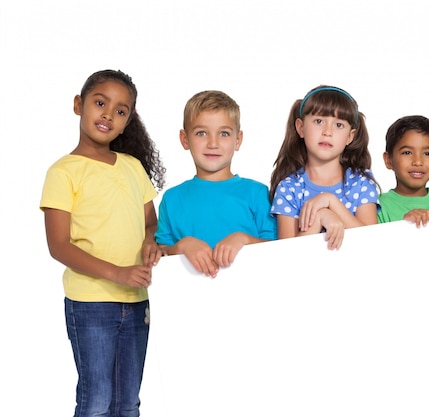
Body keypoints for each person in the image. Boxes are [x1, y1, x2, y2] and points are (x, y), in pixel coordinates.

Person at [40, 69, 166, 417]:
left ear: (128, 122)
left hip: (138, 302)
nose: (109, 114)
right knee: (97, 401)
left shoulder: (131, 167)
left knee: (128, 403)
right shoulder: (63, 172)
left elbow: (150, 223)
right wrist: (118, 273)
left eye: (121, 110)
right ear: (79, 105)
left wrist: (151, 242)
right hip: (90, 304)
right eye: (100, 103)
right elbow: (58, 246)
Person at [155, 90, 277, 278]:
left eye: (224, 133)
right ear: (184, 139)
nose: (213, 143)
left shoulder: (257, 193)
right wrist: (181, 246)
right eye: (202, 133)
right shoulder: (172, 199)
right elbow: (160, 254)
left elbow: (279, 250)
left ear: (238, 140)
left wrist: (244, 239)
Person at [270, 85, 379, 250]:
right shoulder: (289, 188)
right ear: (300, 128)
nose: (327, 131)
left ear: (350, 136)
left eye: (339, 125)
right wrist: (321, 216)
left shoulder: (361, 183)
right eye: (319, 121)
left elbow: (372, 244)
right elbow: (288, 253)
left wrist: (331, 202)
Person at [378, 115, 429, 227]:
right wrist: (404, 225)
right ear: (389, 160)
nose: (417, 161)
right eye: (407, 152)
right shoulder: (378, 206)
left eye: (427, 154)